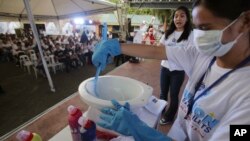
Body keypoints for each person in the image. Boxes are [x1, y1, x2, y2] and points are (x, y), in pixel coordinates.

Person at [92, 0, 250, 140]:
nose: (200, 36)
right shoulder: (204, 56)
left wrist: (143, 132)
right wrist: (116, 47)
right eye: (197, 28)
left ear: (245, 21)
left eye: (206, 28)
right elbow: (156, 51)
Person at [158, 6, 192, 125]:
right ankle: (160, 112)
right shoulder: (168, 33)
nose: (178, 18)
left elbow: (189, 54)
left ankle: (169, 116)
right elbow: (160, 47)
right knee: (163, 93)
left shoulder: (190, 35)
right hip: (165, 68)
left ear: (187, 19)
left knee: (173, 95)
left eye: (182, 16)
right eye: (176, 16)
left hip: (178, 71)